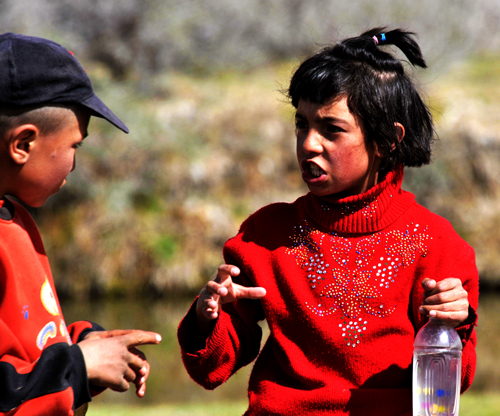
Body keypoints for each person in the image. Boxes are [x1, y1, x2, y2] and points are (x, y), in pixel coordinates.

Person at [177, 28, 478, 416]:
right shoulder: (265, 235)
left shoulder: (436, 244)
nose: (308, 144)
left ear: (387, 140)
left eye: (331, 130)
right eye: (302, 124)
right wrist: (206, 317)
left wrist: (454, 326)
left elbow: (457, 380)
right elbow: (211, 369)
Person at [0, 33, 162, 416]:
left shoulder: (16, 219)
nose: (74, 163)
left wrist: (85, 343)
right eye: (76, 145)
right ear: (23, 143)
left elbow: (24, 351)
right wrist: (80, 364)